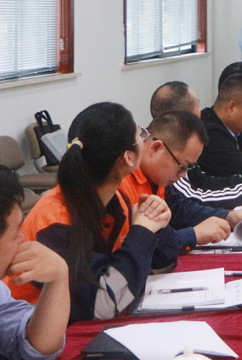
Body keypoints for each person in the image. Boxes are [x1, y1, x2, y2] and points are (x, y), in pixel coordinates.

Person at [6, 103, 172, 321]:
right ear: (129, 158)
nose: (144, 139)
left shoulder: (116, 199)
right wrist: (142, 232)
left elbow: (160, 265)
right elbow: (102, 303)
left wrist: (158, 224)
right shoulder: (55, 219)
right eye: (140, 134)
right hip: (29, 329)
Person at [118, 112, 242, 261]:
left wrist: (227, 216)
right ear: (156, 148)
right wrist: (194, 235)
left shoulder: (157, 177)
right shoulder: (121, 184)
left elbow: (181, 209)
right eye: (182, 166)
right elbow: (147, 250)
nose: (182, 175)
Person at [149, 82, 242, 207]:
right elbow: (193, 198)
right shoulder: (168, 157)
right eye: (197, 116)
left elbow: (202, 181)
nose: (201, 122)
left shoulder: (179, 148)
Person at [0, 167, 69, 360]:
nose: (23, 239)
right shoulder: (55, 217)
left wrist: (58, 278)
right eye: (16, 232)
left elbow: (37, 349)